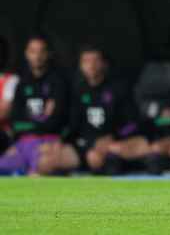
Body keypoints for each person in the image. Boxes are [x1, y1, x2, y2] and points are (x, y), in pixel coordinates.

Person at [62, 45, 150, 174]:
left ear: (104, 64)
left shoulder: (118, 89)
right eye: (86, 61)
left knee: (139, 146)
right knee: (48, 160)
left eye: (95, 60)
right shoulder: (77, 91)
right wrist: (86, 144)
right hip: (86, 146)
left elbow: (133, 124)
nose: (91, 65)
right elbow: (72, 127)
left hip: (115, 144)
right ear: (80, 66)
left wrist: (113, 136)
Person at [0, 35, 68, 175]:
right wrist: (40, 121)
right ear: (26, 54)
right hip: (23, 143)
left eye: (41, 51)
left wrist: (30, 122)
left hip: (47, 142)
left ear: (48, 54)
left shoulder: (58, 83)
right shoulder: (22, 83)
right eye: (33, 51)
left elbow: (55, 122)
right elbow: (16, 121)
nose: (37, 56)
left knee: (41, 169)